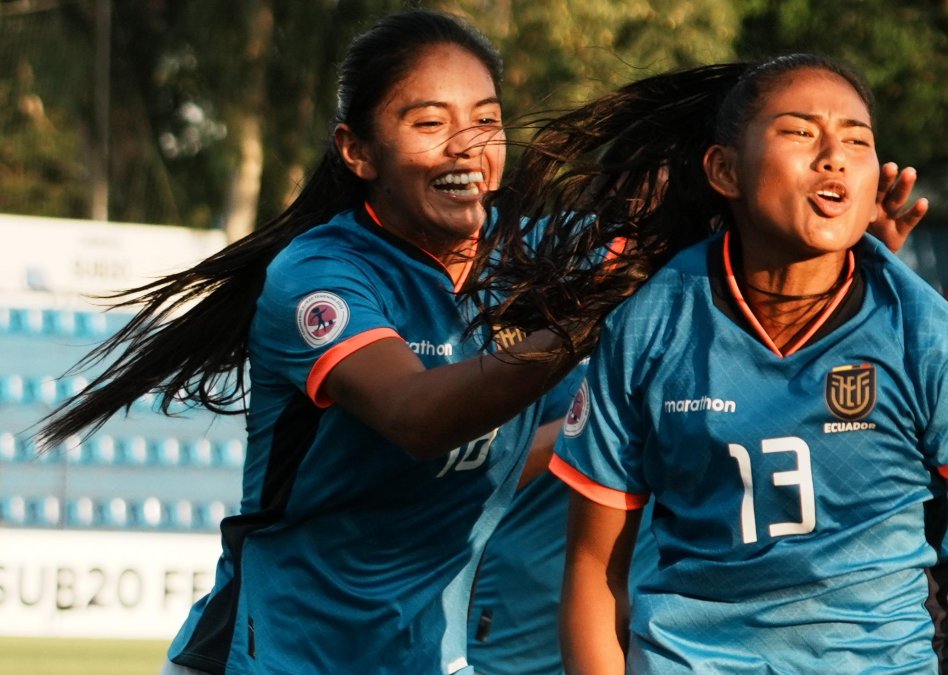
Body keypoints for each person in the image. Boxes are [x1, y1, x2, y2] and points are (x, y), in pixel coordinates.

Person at [476, 54, 948, 673]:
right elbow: (595, 575)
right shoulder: (650, 326)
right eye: (800, 132)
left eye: (857, 139)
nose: (834, 155)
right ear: (725, 170)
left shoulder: (927, 336)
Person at [38, 10, 585, 674]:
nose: (467, 145)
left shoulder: (530, 254)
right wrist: (584, 324)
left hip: (434, 657)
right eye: (430, 123)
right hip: (285, 656)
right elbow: (419, 417)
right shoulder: (322, 274)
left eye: (487, 119)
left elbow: (506, 448)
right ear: (356, 149)